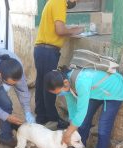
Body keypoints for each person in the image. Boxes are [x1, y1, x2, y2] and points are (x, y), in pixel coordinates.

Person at [44, 66, 123, 148]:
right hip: (96, 90)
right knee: (84, 120)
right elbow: (73, 108)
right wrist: (72, 126)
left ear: (65, 83)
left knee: (103, 126)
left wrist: (68, 133)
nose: (60, 95)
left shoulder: (81, 82)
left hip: (114, 90)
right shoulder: (67, 83)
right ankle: (81, 147)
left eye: (59, 92)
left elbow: (81, 112)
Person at [34, 0, 84, 129]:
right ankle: (53, 119)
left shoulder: (53, 2)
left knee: (41, 84)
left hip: (41, 50)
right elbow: (60, 30)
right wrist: (75, 30)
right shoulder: (60, 2)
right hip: (48, 51)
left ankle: (41, 117)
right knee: (51, 84)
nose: (76, 2)